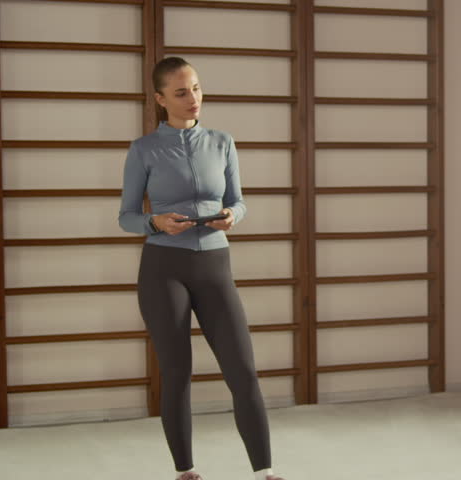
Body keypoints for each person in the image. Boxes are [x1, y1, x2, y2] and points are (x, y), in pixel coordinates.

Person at [118, 56, 285, 480]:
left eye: (195, 88)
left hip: (214, 262)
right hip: (163, 267)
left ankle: (265, 472)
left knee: (243, 370)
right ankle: (185, 472)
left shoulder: (222, 141)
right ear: (160, 99)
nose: (192, 98)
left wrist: (233, 215)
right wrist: (154, 221)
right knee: (177, 371)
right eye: (180, 92)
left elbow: (240, 200)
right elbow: (126, 216)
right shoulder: (144, 150)